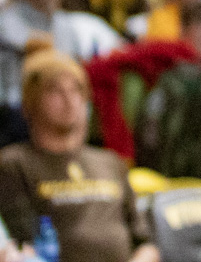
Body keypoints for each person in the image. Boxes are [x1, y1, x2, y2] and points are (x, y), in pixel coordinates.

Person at [0, 39, 158, 262]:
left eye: (76, 89)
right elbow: (23, 248)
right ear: (31, 102)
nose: (69, 99)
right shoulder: (14, 163)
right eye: (55, 91)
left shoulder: (111, 161)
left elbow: (147, 245)